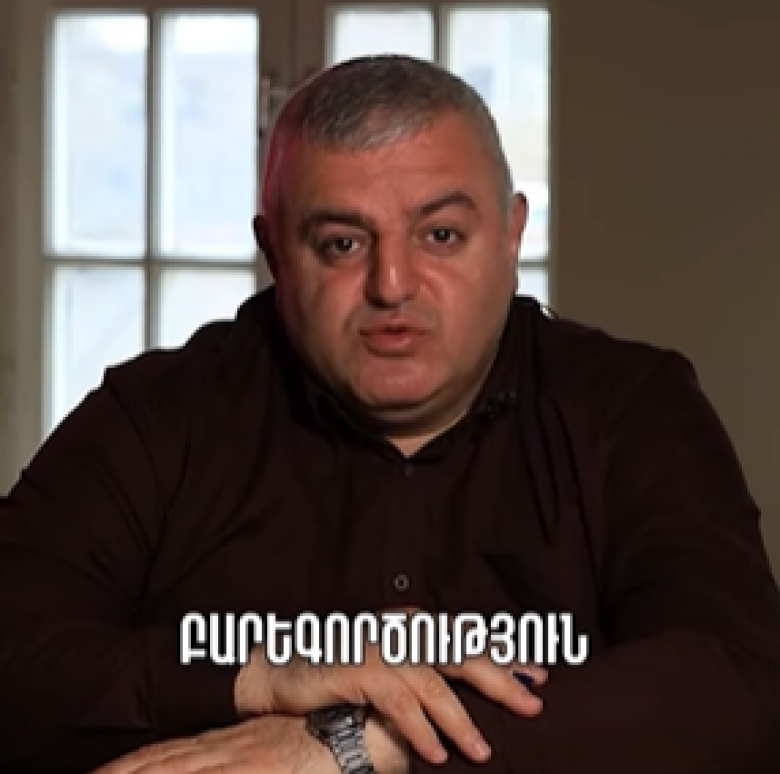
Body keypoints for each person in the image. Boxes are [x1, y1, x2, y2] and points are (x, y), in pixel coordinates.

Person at [1, 54, 779, 774]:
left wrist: (362, 741)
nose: (392, 284)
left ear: (511, 233)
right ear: (274, 251)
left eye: (440, 235)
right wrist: (255, 678)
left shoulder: (631, 407)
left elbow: (742, 689)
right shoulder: (157, 416)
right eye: (342, 244)